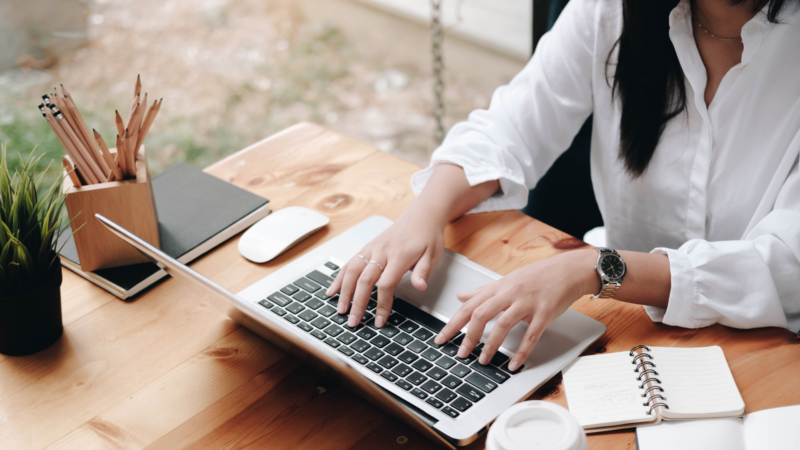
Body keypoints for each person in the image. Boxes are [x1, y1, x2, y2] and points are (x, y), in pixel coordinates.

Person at [326, 0, 800, 373]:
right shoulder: (613, 10)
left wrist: (596, 269)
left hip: (767, 347)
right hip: (627, 327)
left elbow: (785, 266)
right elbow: (508, 128)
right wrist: (421, 215)